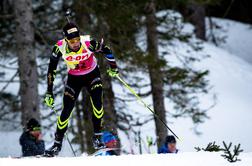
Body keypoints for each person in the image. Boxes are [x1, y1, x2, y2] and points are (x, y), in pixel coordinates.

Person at [44, 22, 119, 156]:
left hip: (92, 75)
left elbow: (106, 49)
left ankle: (97, 138)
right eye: (72, 41)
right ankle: (57, 144)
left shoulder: (88, 43)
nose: (76, 43)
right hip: (74, 79)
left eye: (77, 39)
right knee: (66, 111)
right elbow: (51, 70)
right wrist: (49, 92)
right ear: (66, 40)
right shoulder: (59, 48)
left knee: (97, 105)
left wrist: (113, 68)